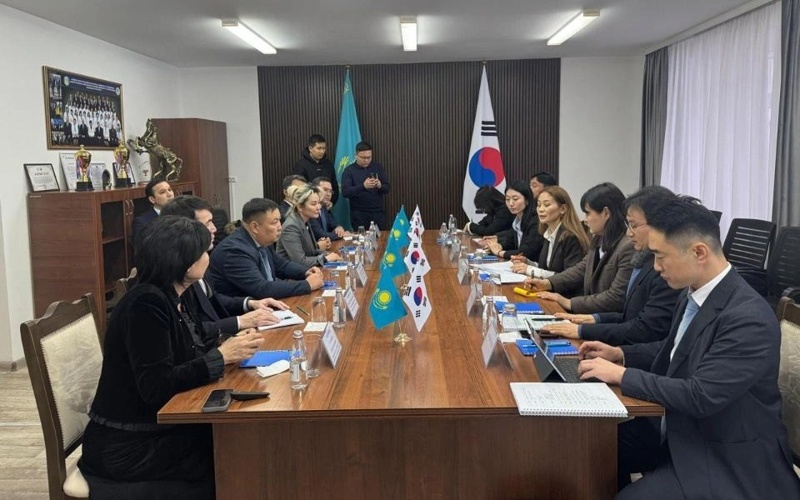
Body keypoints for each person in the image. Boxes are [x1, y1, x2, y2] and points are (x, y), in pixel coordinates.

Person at [578, 198, 800, 498]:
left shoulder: (748, 318)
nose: (656, 267)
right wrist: (620, 354)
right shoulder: (692, 293)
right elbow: (675, 351)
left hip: (725, 454)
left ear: (699, 252)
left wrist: (622, 374)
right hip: (679, 428)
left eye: (661, 256)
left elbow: (700, 395)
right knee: (585, 448)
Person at [79, 216, 264, 498]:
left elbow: (192, 342)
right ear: (186, 263)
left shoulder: (176, 293)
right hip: (129, 443)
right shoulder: (145, 304)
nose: (209, 256)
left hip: (159, 426)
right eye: (204, 251)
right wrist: (220, 356)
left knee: (243, 441)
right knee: (234, 453)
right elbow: (156, 386)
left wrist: (229, 344)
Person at [542, 186, 681, 345]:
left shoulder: (652, 261)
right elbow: (630, 314)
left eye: (633, 225)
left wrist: (580, 323)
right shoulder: (603, 241)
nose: (629, 233)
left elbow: (638, 321)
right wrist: (594, 318)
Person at [161, 195, 288, 337]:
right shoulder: (179, 273)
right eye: (207, 224)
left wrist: (250, 303)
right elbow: (191, 329)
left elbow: (211, 300)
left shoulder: (200, 260)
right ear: (185, 229)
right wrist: (239, 322)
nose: (214, 229)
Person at [525, 182, 634, 313]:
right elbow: (581, 269)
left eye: (588, 213)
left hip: (604, 319)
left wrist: (568, 302)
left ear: (606, 213)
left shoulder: (627, 247)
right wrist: (548, 283)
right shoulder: (598, 239)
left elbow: (615, 298)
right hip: (589, 313)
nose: (585, 220)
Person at [209, 198, 324, 299]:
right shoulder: (235, 251)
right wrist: (307, 285)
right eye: (275, 222)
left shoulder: (260, 239)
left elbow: (281, 265)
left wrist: (305, 272)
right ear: (255, 227)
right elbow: (262, 289)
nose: (280, 227)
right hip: (244, 313)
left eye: (279, 220)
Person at [510, 185, 589, 279]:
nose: (541, 209)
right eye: (539, 205)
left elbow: (569, 278)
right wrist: (528, 263)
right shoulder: (548, 234)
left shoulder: (571, 237)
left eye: (547, 205)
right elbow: (547, 269)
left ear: (563, 209)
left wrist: (529, 269)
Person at [276, 184, 342, 268]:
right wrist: (326, 258)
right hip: (292, 274)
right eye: (313, 204)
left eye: (318, 203)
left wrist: (328, 254)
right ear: (300, 207)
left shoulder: (305, 221)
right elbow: (300, 261)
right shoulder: (291, 227)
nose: (318, 207)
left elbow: (312, 252)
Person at [483, 180, 544, 261]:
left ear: (527, 200)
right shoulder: (517, 219)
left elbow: (525, 252)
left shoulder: (536, 221)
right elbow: (510, 242)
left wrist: (500, 252)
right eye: (507, 199)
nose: (511, 204)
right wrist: (499, 246)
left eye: (515, 199)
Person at [341, 141, 391, 230]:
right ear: (355, 155)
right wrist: (363, 186)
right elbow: (345, 192)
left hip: (377, 212)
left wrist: (380, 186)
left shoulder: (377, 167)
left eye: (369, 157)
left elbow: (387, 188)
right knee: (361, 237)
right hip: (359, 214)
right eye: (363, 157)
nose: (366, 160)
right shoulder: (349, 171)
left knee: (381, 237)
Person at [293, 134, 339, 205]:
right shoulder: (301, 165)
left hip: (326, 206)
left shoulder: (328, 164)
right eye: (319, 148)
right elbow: (300, 189)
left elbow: (334, 186)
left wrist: (331, 202)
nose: (322, 151)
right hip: (309, 205)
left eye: (324, 148)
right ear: (310, 148)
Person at [131, 177, 174, 245]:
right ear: (152, 199)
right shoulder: (142, 222)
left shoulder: (182, 213)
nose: (169, 194)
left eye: (170, 189)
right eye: (162, 192)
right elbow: (141, 248)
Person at [309, 176, 350, 241]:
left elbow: (333, 224)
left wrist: (338, 227)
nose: (328, 194)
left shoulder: (324, 207)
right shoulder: (310, 209)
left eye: (330, 191)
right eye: (325, 190)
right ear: (315, 190)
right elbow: (320, 234)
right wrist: (341, 235)